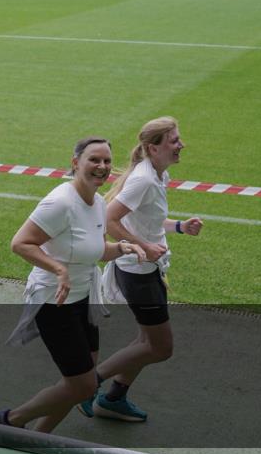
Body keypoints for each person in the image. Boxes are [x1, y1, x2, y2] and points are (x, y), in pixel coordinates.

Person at [0, 137, 145, 433]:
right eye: (94, 160)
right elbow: (20, 243)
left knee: (80, 383)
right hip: (54, 302)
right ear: (76, 163)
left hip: (83, 298)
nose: (102, 166)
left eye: (106, 161)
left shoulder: (98, 203)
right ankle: (10, 420)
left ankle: (39, 437)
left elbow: (96, 250)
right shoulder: (60, 202)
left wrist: (123, 247)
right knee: (82, 385)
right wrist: (58, 268)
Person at [79, 117, 203, 422]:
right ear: (153, 148)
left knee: (146, 342)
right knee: (160, 348)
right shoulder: (145, 179)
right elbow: (109, 219)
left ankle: (114, 398)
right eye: (174, 140)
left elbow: (147, 220)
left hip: (146, 269)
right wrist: (143, 246)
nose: (181, 144)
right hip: (139, 274)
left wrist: (179, 227)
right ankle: (88, 385)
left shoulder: (158, 174)